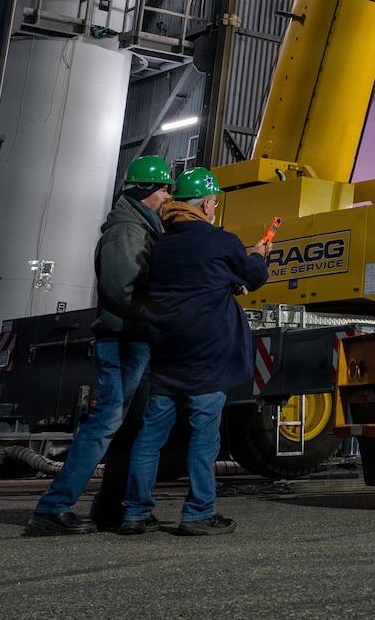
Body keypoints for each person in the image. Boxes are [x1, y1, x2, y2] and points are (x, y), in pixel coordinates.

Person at [26, 156, 175, 535]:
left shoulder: (143, 228)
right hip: (124, 339)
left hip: (137, 338)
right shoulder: (127, 233)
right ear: (145, 193)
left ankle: (110, 507)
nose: (167, 196)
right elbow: (121, 291)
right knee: (107, 422)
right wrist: (167, 310)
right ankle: (53, 507)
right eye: (162, 189)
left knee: (129, 427)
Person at [119, 167, 267, 536]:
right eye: (213, 201)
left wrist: (226, 283)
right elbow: (254, 276)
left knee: (151, 435)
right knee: (204, 436)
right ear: (204, 204)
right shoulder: (222, 241)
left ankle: (135, 513)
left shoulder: (161, 246)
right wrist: (259, 256)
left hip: (168, 354)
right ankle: (199, 513)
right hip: (208, 357)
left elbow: (190, 286)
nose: (214, 207)